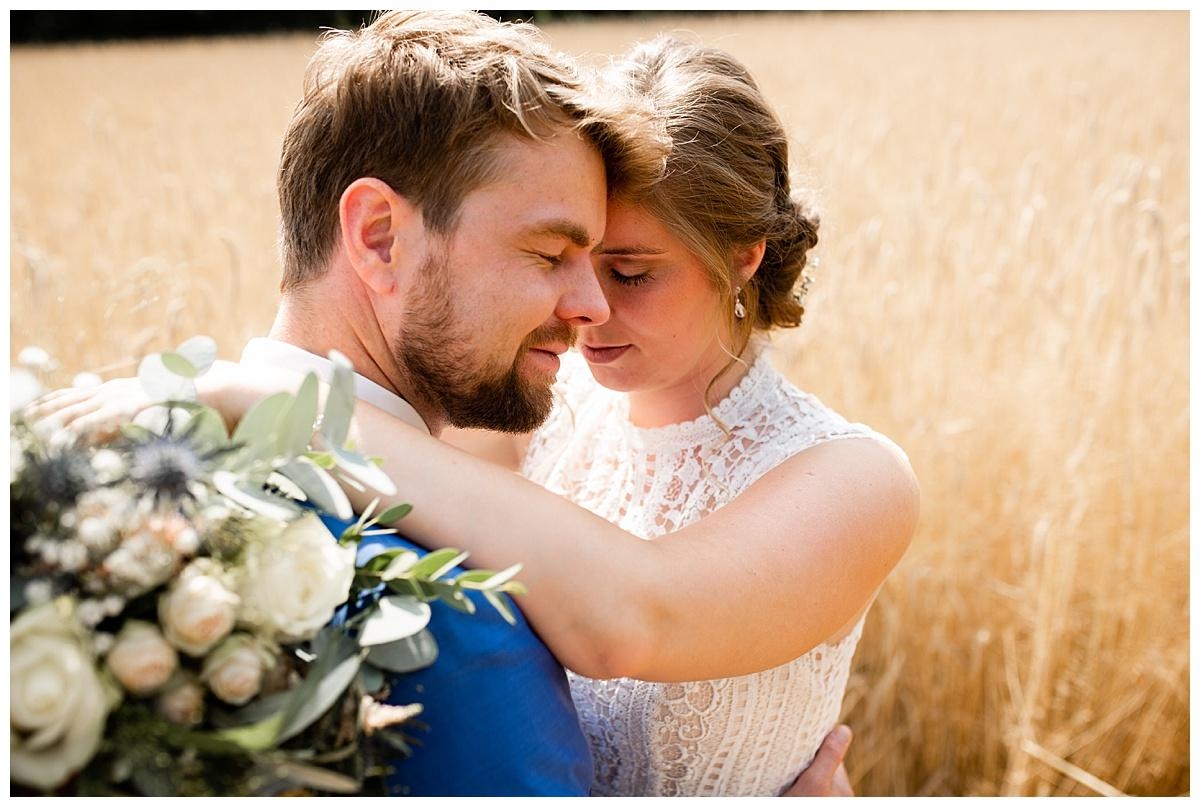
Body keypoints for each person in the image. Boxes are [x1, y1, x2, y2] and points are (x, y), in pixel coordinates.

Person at [31, 10, 853, 797]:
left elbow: (637, 606)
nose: (591, 305)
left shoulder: (78, 474)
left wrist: (285, 403)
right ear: (379, 236)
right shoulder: (460, 638)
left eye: (621, 268)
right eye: (550, 253)